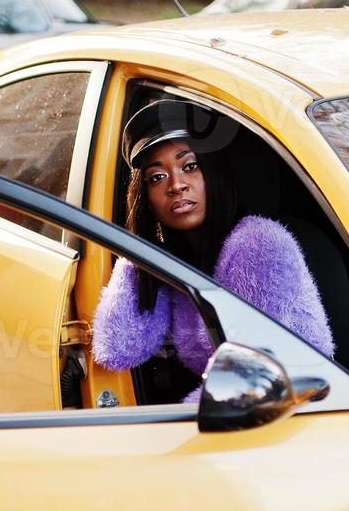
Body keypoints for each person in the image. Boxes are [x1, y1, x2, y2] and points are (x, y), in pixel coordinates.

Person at [92, 100, 334, 402]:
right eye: (157, 177)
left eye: (190, 166)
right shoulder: (178, 262)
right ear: (147, 199)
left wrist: (179, 429)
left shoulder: (259, 243)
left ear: (213, 174)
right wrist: (138, 249)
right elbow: (119, 347)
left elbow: (262, 382)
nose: (176, 185)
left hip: (303, 415)